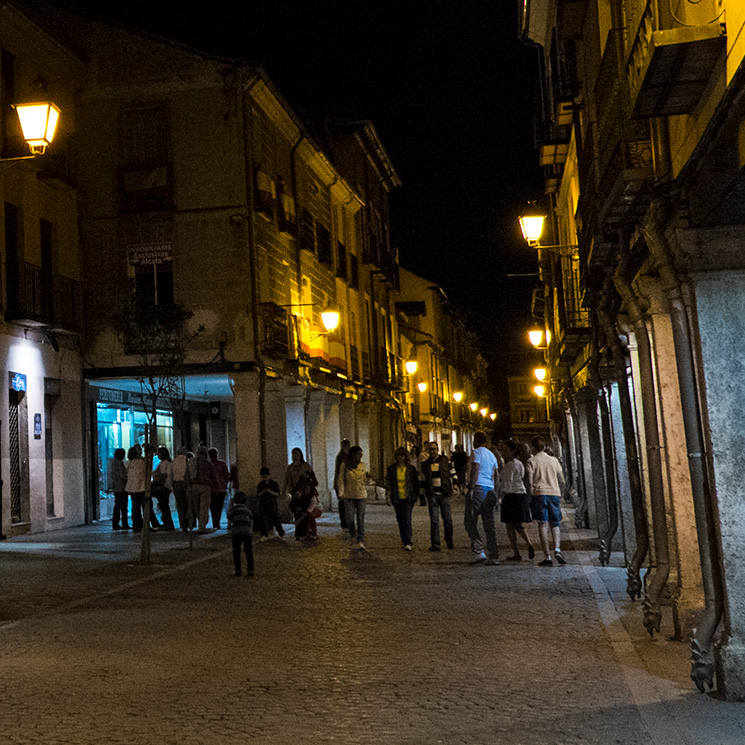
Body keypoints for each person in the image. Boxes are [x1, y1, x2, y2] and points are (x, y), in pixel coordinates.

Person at [526, 435, 566, 566]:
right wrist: (560, 490)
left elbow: (530, 481)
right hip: (554, 493)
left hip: (539, 494)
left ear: (533, 447)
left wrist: (529, 496)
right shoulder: (553, 460)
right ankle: (558, 549)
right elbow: (562, 479)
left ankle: (547, 556)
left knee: (542, 524)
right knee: (555, 523)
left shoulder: (531, 461)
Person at [464, 431, 500, 565]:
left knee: (469, 521)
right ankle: (494, 556)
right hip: (489, 489)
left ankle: (479, 551)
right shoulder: (492, 455)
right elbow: (496, 474)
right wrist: (495, 491)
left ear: (477, 440)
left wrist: (471, 488)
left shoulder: (476, 453)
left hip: (478, 488)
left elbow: (476, 468)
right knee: (489, 525)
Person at [499, 440, 535, 561]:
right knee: (518, 524)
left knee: (509, 526)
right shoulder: (519, 463)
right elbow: (522, 476)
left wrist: (501, 496)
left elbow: (507, 485)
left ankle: (516, 553)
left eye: (505, 449)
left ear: (511, 451)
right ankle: (529, 542)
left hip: (511, 496)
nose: (503, 451)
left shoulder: (509, 465)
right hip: (521, 494)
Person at [420, 441, 456, 551]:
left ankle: (449, 541)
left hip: (445, 494)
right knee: (434, 520)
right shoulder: (425, 464)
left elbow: (453, 473)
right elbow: (422, 479)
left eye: (434, 449)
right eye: (430, 449)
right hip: (432, 495)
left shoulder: (444, 461)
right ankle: (435, 543)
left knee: (447, 519)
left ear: (437, 449)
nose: (432, 451)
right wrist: (422, 491)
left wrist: (455, 486)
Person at [385, 446, 420, 550]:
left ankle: (408, 541)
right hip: (397, 497)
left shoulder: (411, 469)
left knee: (407, 519)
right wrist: (388, 496)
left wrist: (417, 495)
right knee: (400, 519)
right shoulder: (391, 469)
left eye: (403, 455)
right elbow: (389, 483)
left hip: (408, 497)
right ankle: (404, 539)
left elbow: (415, 483)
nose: (401, 458)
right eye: (399, 455)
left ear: (406, 457)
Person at [338, 445, 368, 550]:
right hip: (349, 495)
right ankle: (353, 535)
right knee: (349, 519)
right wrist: (341, 492)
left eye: (361, 454)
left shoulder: (363, 465)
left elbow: (365, 478)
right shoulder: (345, 465)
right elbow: (341, 478)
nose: (360, 456)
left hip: (361, 495)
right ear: (353, 454)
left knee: (360, 519)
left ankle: (361, 540)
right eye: (358, 454)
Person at [227, 491, 254, 577]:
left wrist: (230, 528)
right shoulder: (248, 510)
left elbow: (229, 521)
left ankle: (238, 570)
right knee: (248, 551)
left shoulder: (233, 510)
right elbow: (251, 521)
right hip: (247, 532)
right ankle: (250, 570)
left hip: (236, 532)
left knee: (236, 551)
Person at [191, 445, 217, 532]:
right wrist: (215, 487)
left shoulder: (192, 463)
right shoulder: (208, 463)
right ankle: (202, 526)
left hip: (194, 486)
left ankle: (200, 523)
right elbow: (214, 477)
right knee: (204, 507)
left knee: (197, 506)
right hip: (205, 486)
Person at [289, 469, 320, 541]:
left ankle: (312, 533)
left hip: (312, 508)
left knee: (309, 516)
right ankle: (301, 533)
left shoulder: (312, 495)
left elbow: (311, 506)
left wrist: (305, 511)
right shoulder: (300, 490)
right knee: (300, 517)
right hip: (304, 508)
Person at [256, 466, 285, 541]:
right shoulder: (261, 484)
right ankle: (264, 534)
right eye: (263, 477)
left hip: (272, 504)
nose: (265, 478)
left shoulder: (274, 484)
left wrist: (270, 492)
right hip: (263, 504)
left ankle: (281, 533)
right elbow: (258, 494)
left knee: (275, 519)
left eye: (266, 476)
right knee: (263, 520)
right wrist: (263, 492)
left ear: (269, 475)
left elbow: (278, 494)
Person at [152, 446, 176, 530]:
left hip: (163, 486)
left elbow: (164, 475)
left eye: (158, 453)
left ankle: (168, 523)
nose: (157, 455)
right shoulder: (165, 463)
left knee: (164, 505)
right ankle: (167, 522)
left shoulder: (164, 464)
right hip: (166, 486)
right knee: (164, 505)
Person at [126, 446, 148, 532]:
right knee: (144, 506)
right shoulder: (141, 462)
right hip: (142, 486)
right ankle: (144, 524)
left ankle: (136, 524)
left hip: (132, 487)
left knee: (135, 507)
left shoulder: (128, 463)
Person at [208, 447, 230, 530]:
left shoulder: (208, 464)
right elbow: (227, 476)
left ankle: (215, 521)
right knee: (220, 506)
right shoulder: (222, 464)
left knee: (212, 506)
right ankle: (217, 521)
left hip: (211, 489)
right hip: (222, 488)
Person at [108, 448, 129, 530]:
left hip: (116, 487)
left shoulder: (113, 463)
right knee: (123, 507)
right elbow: (122, 475)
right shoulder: (120, 463)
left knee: (117, 506)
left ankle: (115, 523)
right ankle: (125, 523)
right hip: (122, 487)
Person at [171, 446, 191, 531]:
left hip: (176, 483)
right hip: (185, 483)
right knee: (188, 503)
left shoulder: (174, 462)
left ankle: (183, 524)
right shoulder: (187, 461)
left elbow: (171, 474)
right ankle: (189, 522)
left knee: (180, 505)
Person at [333, 438, 351, 530]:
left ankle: (346, 520)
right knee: (343, 503)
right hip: (341, 483)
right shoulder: (342, 457)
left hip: (347, 483)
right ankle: (344, 521)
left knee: (346, 503)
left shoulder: (346, 456)